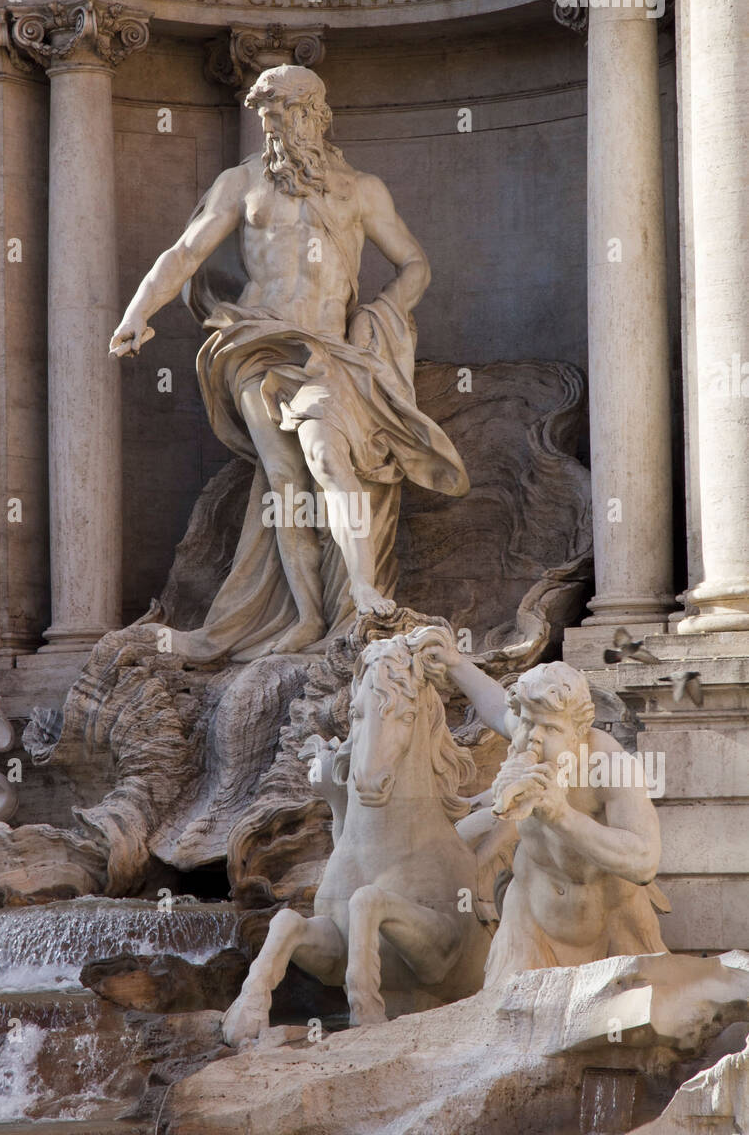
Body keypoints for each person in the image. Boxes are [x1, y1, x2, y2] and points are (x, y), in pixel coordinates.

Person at [109, 65, 468, 661]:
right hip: (255, 343)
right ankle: (304, 617)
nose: (272, 125)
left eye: (284, 113)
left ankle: (361, 590)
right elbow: (186, 251)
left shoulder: (361, 190)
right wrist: (136, 312)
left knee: (327, 456)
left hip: (328, 350)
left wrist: (378, 314)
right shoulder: (241, 184)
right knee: (283, 478)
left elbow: (415, 264)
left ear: (316, 115)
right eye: (265, 114)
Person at [408, 627, 668, 989]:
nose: (534, 737)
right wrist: (454, 661)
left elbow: (644, 860)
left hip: (611, 928)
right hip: (529, 922)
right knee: (503, 1025)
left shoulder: (609, 765)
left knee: (631, 1034)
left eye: (549, 728)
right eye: (527, 723)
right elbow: (495, 704)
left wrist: (561, 815)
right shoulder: (528, 730)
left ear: (579, 733)